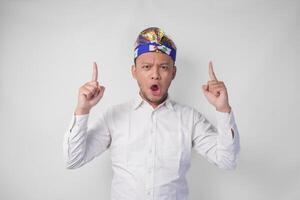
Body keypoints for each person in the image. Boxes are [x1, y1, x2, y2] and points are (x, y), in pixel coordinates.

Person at [63, 27, 240, 200]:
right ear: (134, 72)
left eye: (163, 67)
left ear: (173, 73)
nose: (155, 75)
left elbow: (227, 160)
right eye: (147, 67)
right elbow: (73, 160)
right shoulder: (114, 116)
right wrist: (82, 110)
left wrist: (223, 109)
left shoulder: (190, 118)